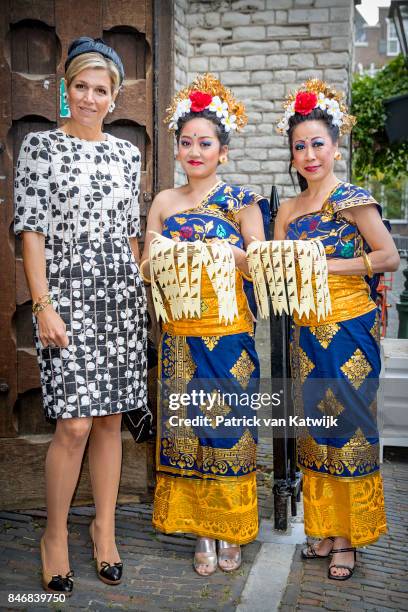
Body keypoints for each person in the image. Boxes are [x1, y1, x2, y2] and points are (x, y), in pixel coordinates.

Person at [14, 37, 149, 594]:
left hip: (119, 297)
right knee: (72, 424)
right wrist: (42, 305)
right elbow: (31, 232)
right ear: (65, 90)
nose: (90, 98)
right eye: (81, 87)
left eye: (101, 89)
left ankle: (104, 530)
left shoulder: (127, 154)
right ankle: (54, 537)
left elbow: (131, 233)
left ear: (114, 96)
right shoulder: (40, 147)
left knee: (111, 422)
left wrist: (149, 269)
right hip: (66, 297)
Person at [140, 74, 269, 576]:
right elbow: (147, 267)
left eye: (205, 143)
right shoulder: (165, 202)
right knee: (189, 431)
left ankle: (230, 528)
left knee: (228, 428)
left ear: (224, 151)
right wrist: (167, 255)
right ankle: (200, 529)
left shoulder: (242, 201)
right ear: (177, 147)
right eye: (187, 142)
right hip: (180, 334)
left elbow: (257, 262)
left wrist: (224, 250)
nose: (195, 150)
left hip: (229, 329)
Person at [274, 79, 400, 581]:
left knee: (348, 428)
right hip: (304, 329)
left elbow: (388, 257)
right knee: (314, 430)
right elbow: (279, 266)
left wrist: (326, 264)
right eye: (300, 146)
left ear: (335, 146)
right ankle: (323, 528)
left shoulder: (352, 200)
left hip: (349, 327)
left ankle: (349, 537)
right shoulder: (286, 210)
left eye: (317, 143)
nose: (309, 154)